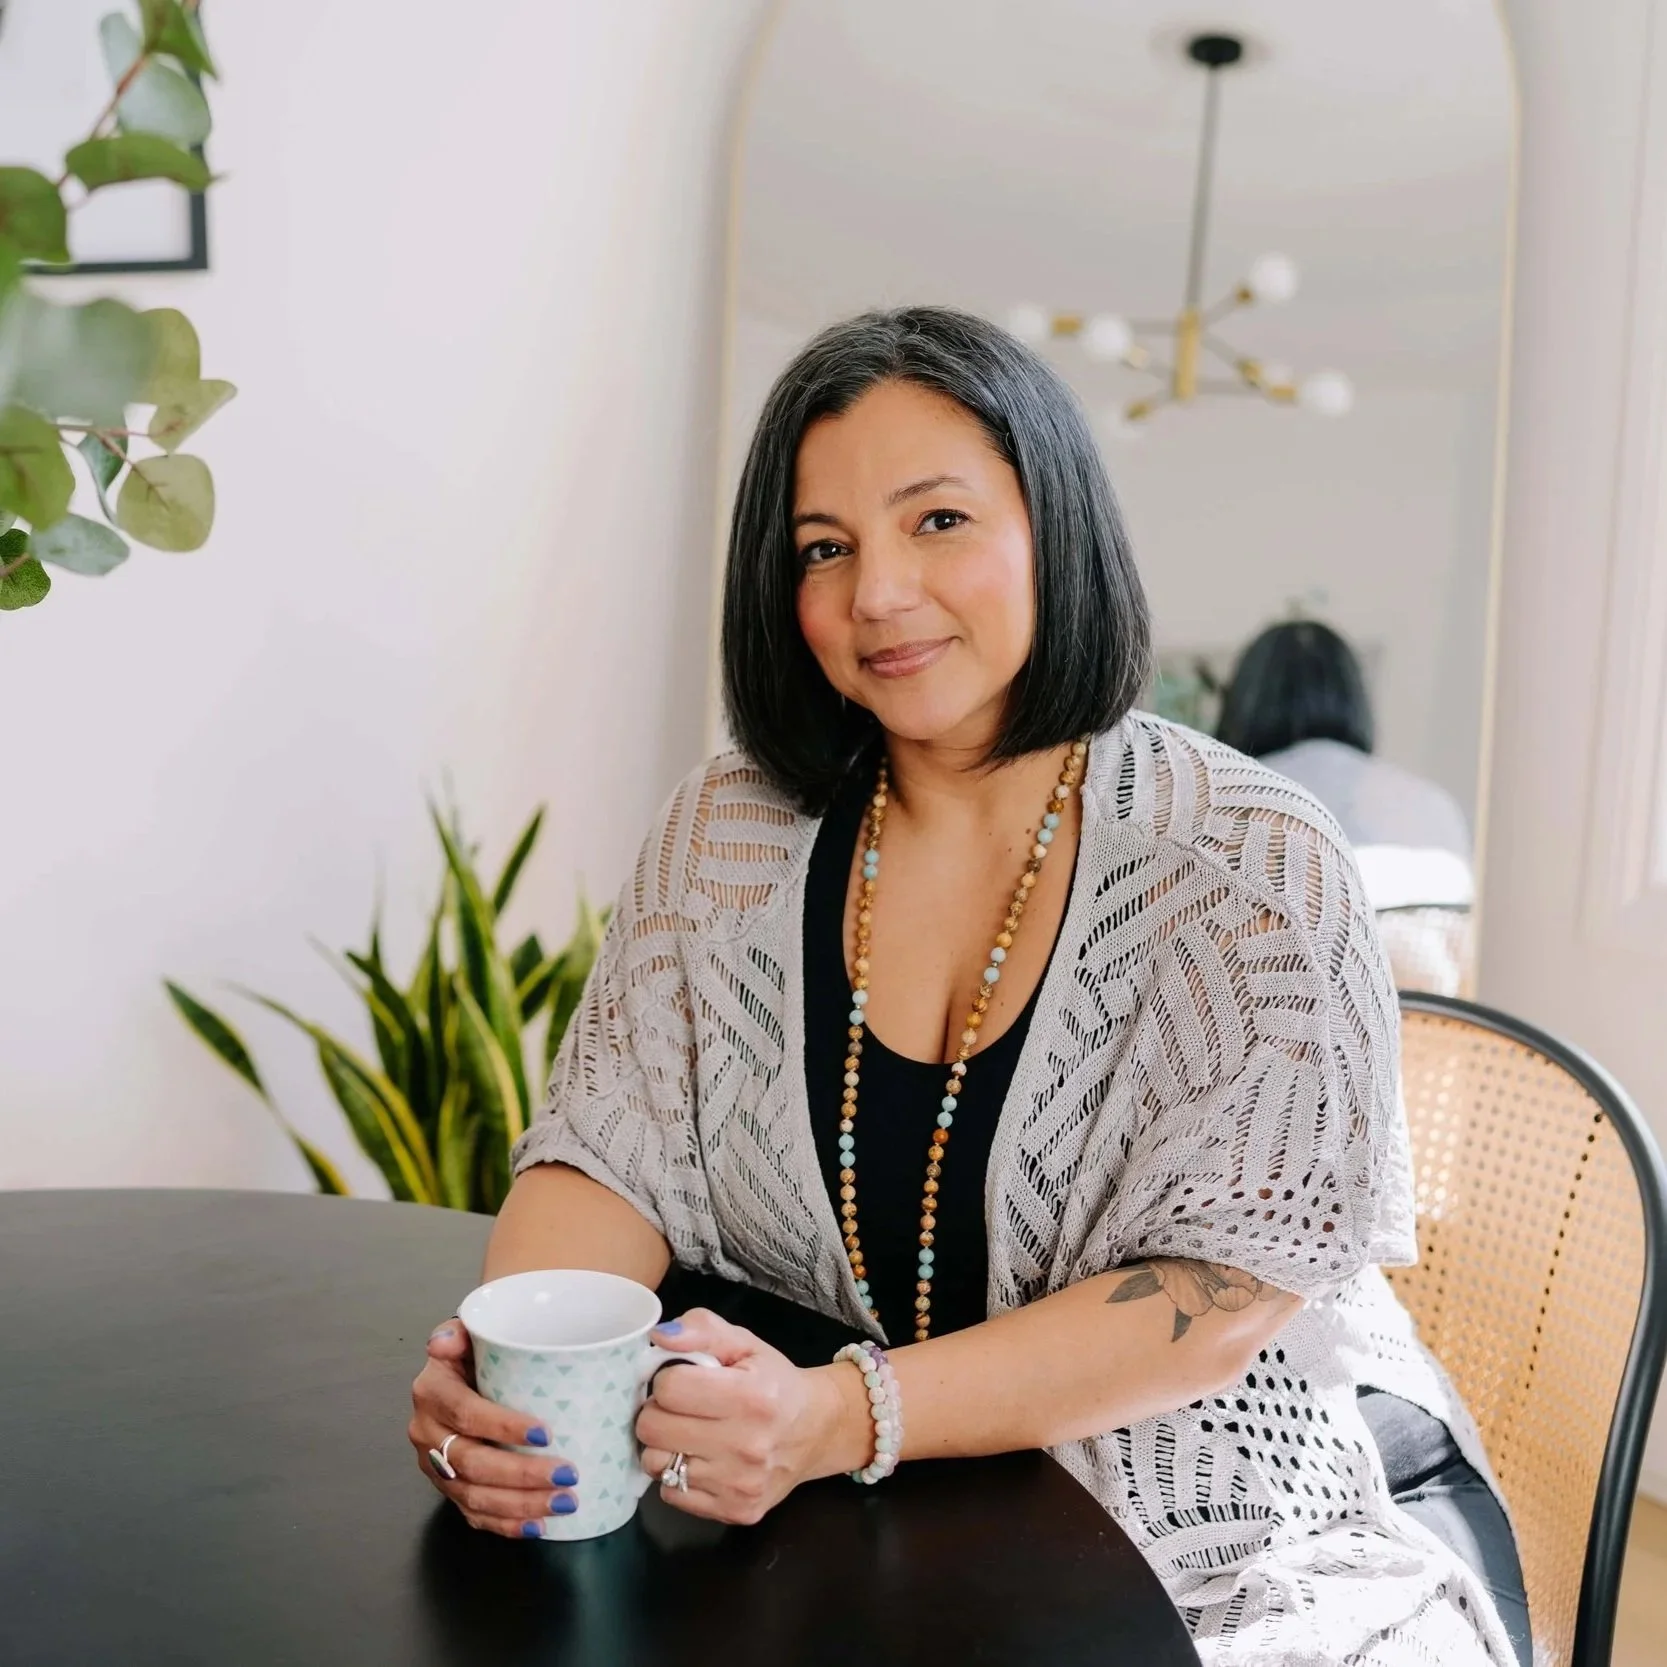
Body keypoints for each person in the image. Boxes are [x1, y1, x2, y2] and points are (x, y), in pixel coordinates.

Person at [407, 307, 1527, 1666]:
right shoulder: (726, 830)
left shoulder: (1249, 858)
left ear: (1052, 523)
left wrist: (839, 1414)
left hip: (1224, 1519)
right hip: (862, 1516)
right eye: (823, 548)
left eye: (934, 519)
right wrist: (518, 1379)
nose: (875, 591)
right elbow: (609, 1152)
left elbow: (1217, 1293)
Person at [1216, 621, 1476, 994]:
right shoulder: (1432, 802)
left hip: (1298, 1034)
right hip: (1443, 1038)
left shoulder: (1233, 801)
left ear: (1242, 702)